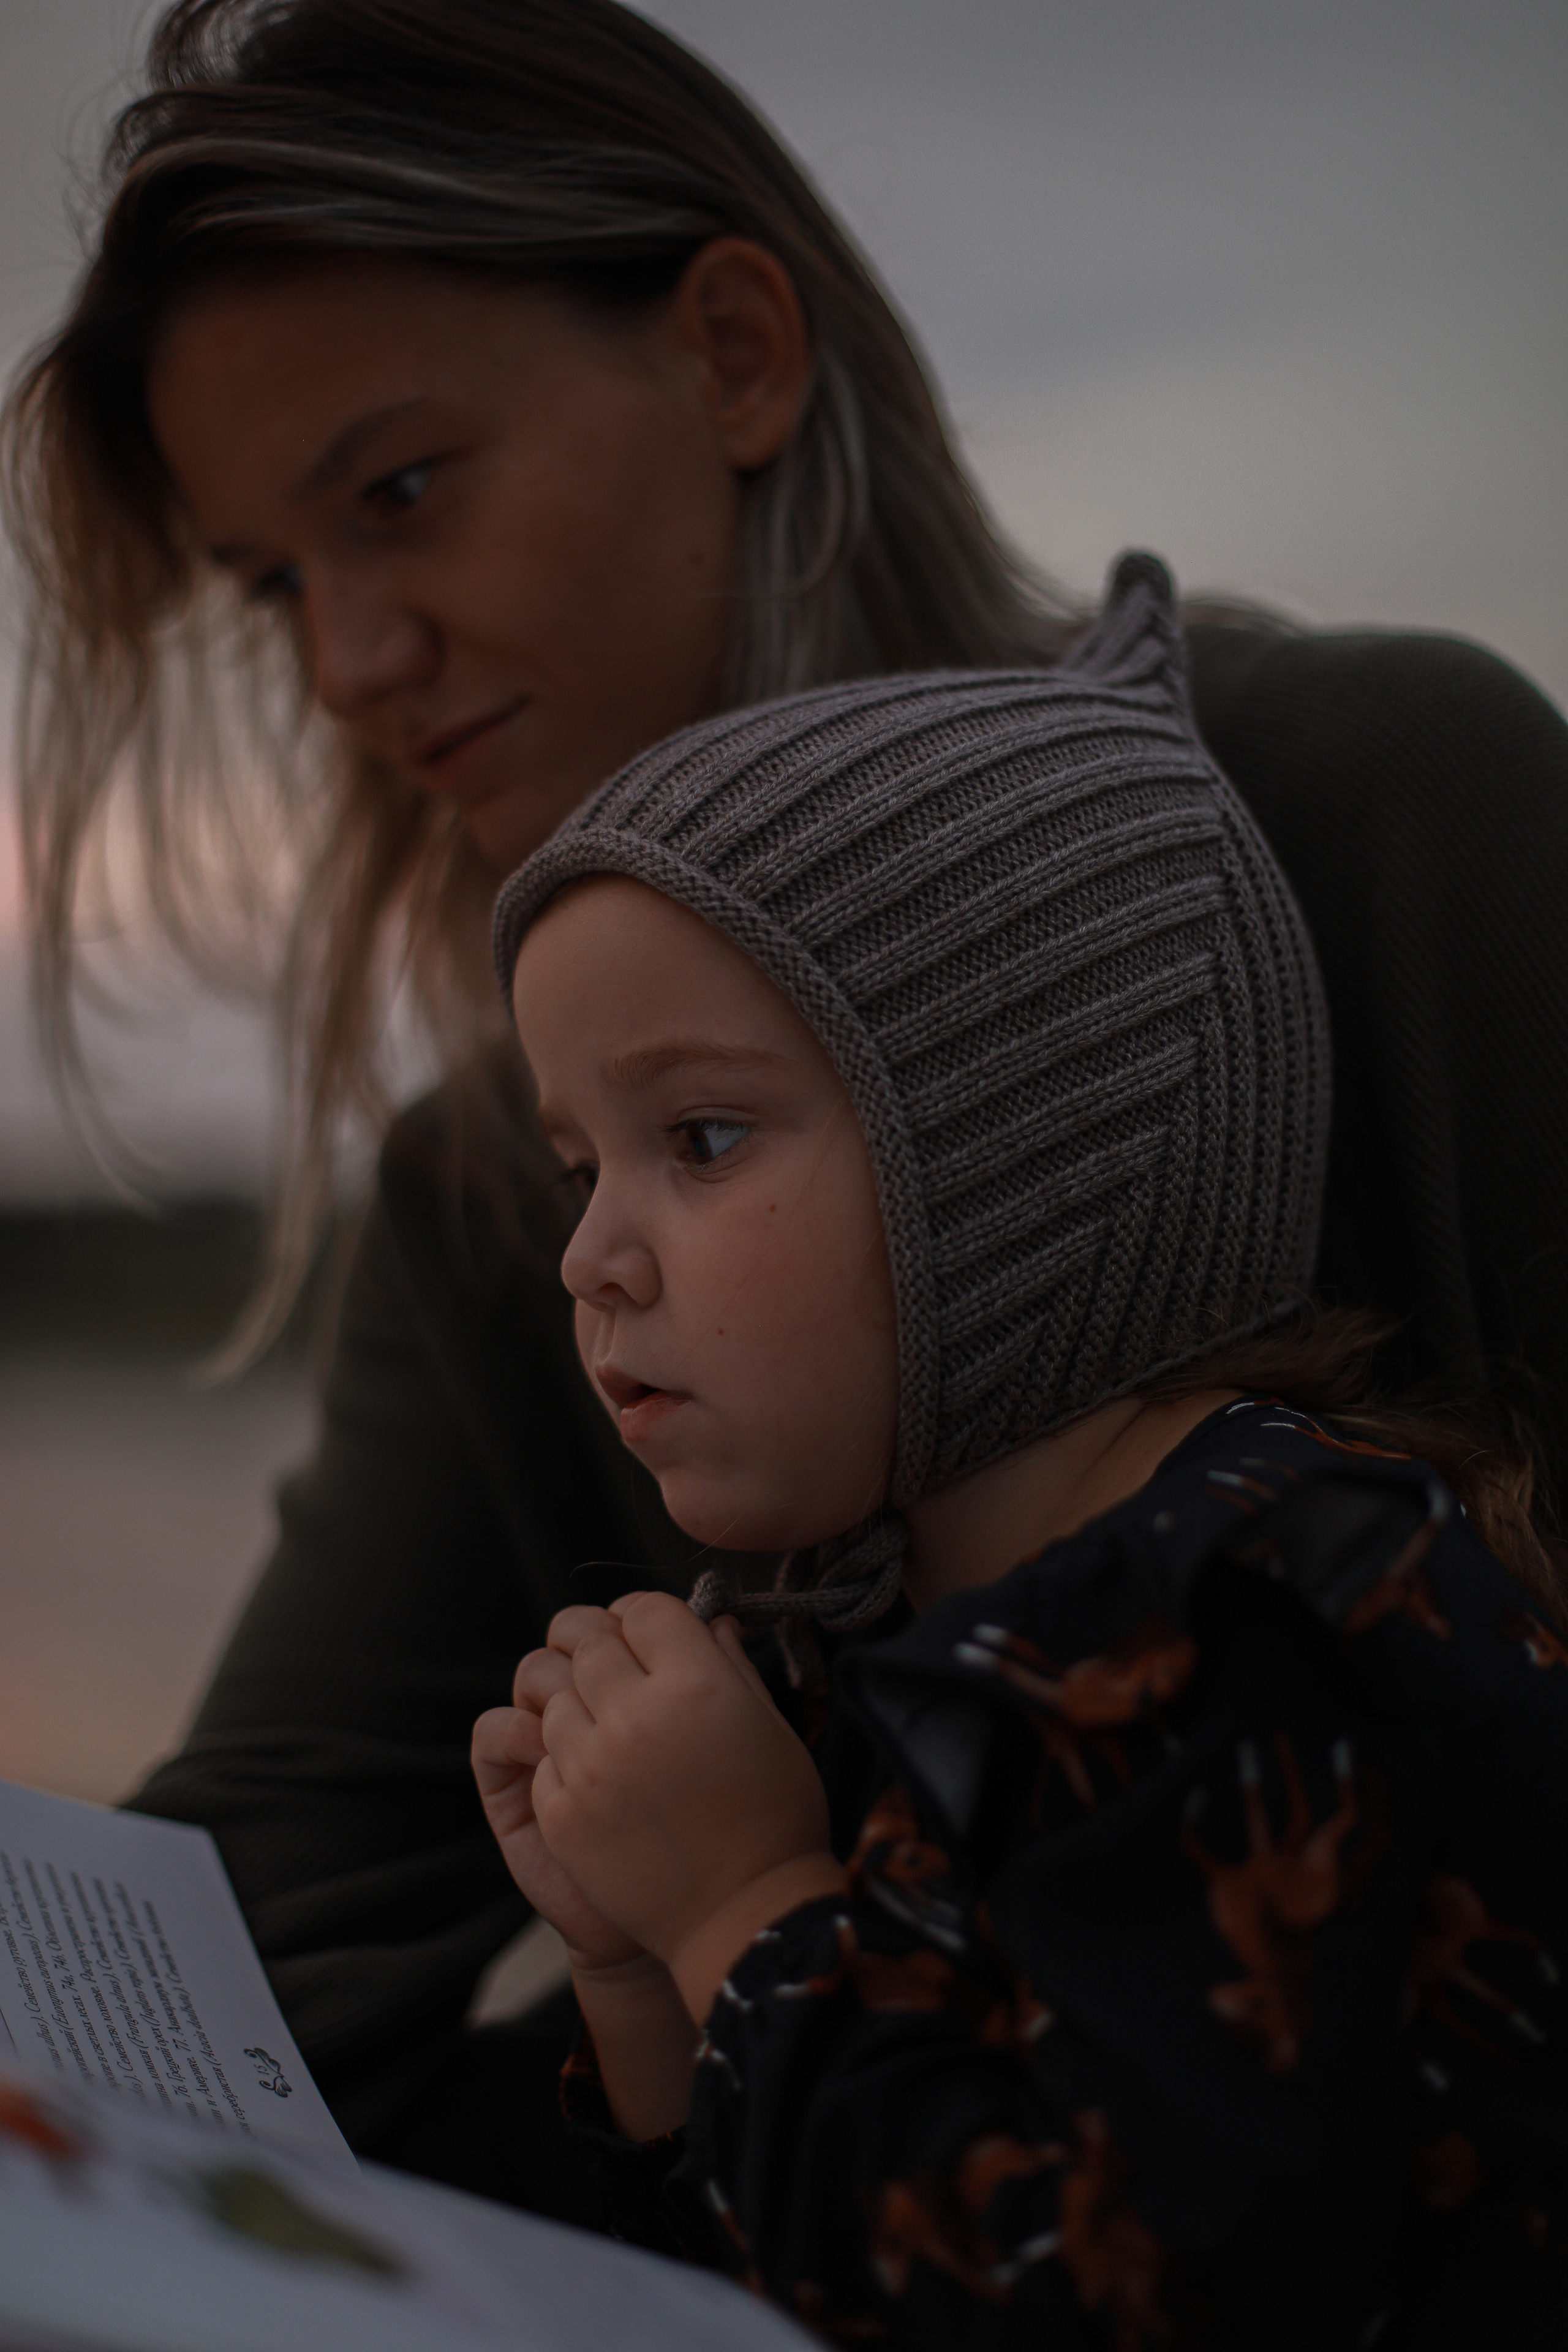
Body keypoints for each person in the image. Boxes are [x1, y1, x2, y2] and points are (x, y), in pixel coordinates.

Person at [5, 0, 1566, 2205]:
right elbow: (256, 1925)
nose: (348, 661)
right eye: (277, 586)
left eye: (403, 491)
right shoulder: (488, 1190)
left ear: (738, 350)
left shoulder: (1384, 813)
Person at [476, 558, 1568, 2348]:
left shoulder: (1255, 1617)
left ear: (1012, 1164)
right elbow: (785, 2280)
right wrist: (639, 1968)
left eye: (702, 1133)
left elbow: (1116, 2304)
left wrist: (746, 1908)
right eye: (576, 1164)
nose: (594, 1251)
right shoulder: (909, 1626)